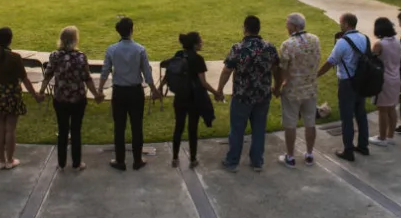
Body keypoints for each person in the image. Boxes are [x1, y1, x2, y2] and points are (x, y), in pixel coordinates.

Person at [217, 15, 279, 172]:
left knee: (237, 130)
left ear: (245, 28)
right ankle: (257, 162)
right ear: (259, 29)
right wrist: (277, 87)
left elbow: (227, 71)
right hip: (263, 95)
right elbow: (277, 69)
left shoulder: (238, 48)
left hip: (242, 96)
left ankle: (232, 162)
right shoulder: (269, 48)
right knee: (259, 129)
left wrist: (219, 89)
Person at [99, 16, 160, 171]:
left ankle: (120, 161)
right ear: (132, 30)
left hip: (119, 92)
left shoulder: (112, 49)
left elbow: (105, 72)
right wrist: (154, 90)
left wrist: (99, 90)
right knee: (137, 126)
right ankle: (137, 160)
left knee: (119, 127)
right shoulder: (140, 49)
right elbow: (147, 73)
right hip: (135, 92)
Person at [0, 27, 44, 170]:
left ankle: (1, 161)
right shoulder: (15, 57)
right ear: (10, 40)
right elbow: (25, 79)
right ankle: (10, 160)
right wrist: (36, 96)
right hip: (12, 95)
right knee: (10, 129)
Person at [41, 26, 102, 171]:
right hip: (77, 99)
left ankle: (61, 163)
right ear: (75, 40)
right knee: (75, 130)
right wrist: (96, 95)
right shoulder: (80, 57)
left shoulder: (55, 56)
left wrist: (41, 91)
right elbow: (87, 78)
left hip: (60, 98)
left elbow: (48, 74)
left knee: (62, 130)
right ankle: (76, 163)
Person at [317, 13, 370, 161]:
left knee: (347, 117)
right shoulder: (365, 38)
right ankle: (363, 146)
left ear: (346, 24)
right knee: (361, 113)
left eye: (341, 22)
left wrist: (317, 74)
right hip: (361, 81)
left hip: (347, 82)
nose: (340, 25)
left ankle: (348, 150)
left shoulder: (342, 42)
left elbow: (331, 62)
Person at [165, 32, 217, 168]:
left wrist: (159, 89)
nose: (202, 43)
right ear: (195, 44)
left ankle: (175, 158)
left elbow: (169, 73)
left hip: (180, 97)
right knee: (192, 129)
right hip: (194, 98)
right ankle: (192, 159)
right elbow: (203, 83)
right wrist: (216, 92)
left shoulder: (178, 54)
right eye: (200, 41)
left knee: (179, 127)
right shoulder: (198, 59)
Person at [275, 13, 320, 168]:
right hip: (310, 88)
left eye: (287, 24)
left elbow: (283, 69)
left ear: (294, 26)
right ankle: (309, 154)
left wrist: (279, 85)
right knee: (310, 122)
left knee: (290, 124)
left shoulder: (287, 45)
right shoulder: (315, 39)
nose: (286, 27)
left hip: (292, 90)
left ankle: (291, 156)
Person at [369, 17, 401, 147]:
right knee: (391, 108)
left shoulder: (380, 44)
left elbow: (371, 59)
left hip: (384, 79)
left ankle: (382, 137)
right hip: (396, 77)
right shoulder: (398, 42)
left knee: (382, 109)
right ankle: (390, 136)